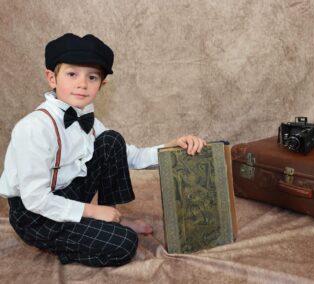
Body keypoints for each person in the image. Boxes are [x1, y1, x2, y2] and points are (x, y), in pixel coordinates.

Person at [0, 33, 206, 267]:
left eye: (92, 77)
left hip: (68, 193)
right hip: (34, 214)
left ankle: (112, 216)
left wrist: (170, 146)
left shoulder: (88, 121)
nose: (82, 84)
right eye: (71, 74)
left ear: (102, 84)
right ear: (51, 78)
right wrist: (91, 211)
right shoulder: (34, 128)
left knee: (111, 141)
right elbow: (35, 199)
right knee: (124, 245)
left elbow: (132, 156)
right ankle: (67, 243)